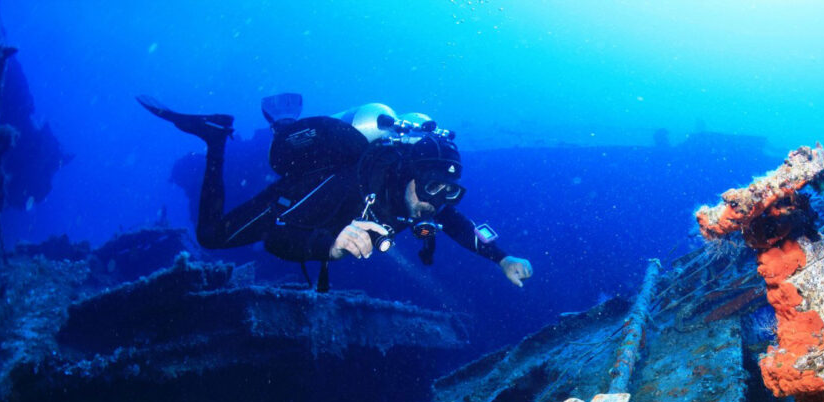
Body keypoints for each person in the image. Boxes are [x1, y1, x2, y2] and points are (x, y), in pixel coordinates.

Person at [137, 96, 534, 291]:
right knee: (210, 235)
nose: (438, 201)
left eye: (451, 191)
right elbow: (277, 235)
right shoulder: (353, 184)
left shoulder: (425, 200)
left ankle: (280, 123)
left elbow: (457, 224)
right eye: (433, 187)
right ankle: (216, 136)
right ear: (408, 174)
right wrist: (328, 245)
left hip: (332, 215)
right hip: (297, 199)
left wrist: (502, 257)